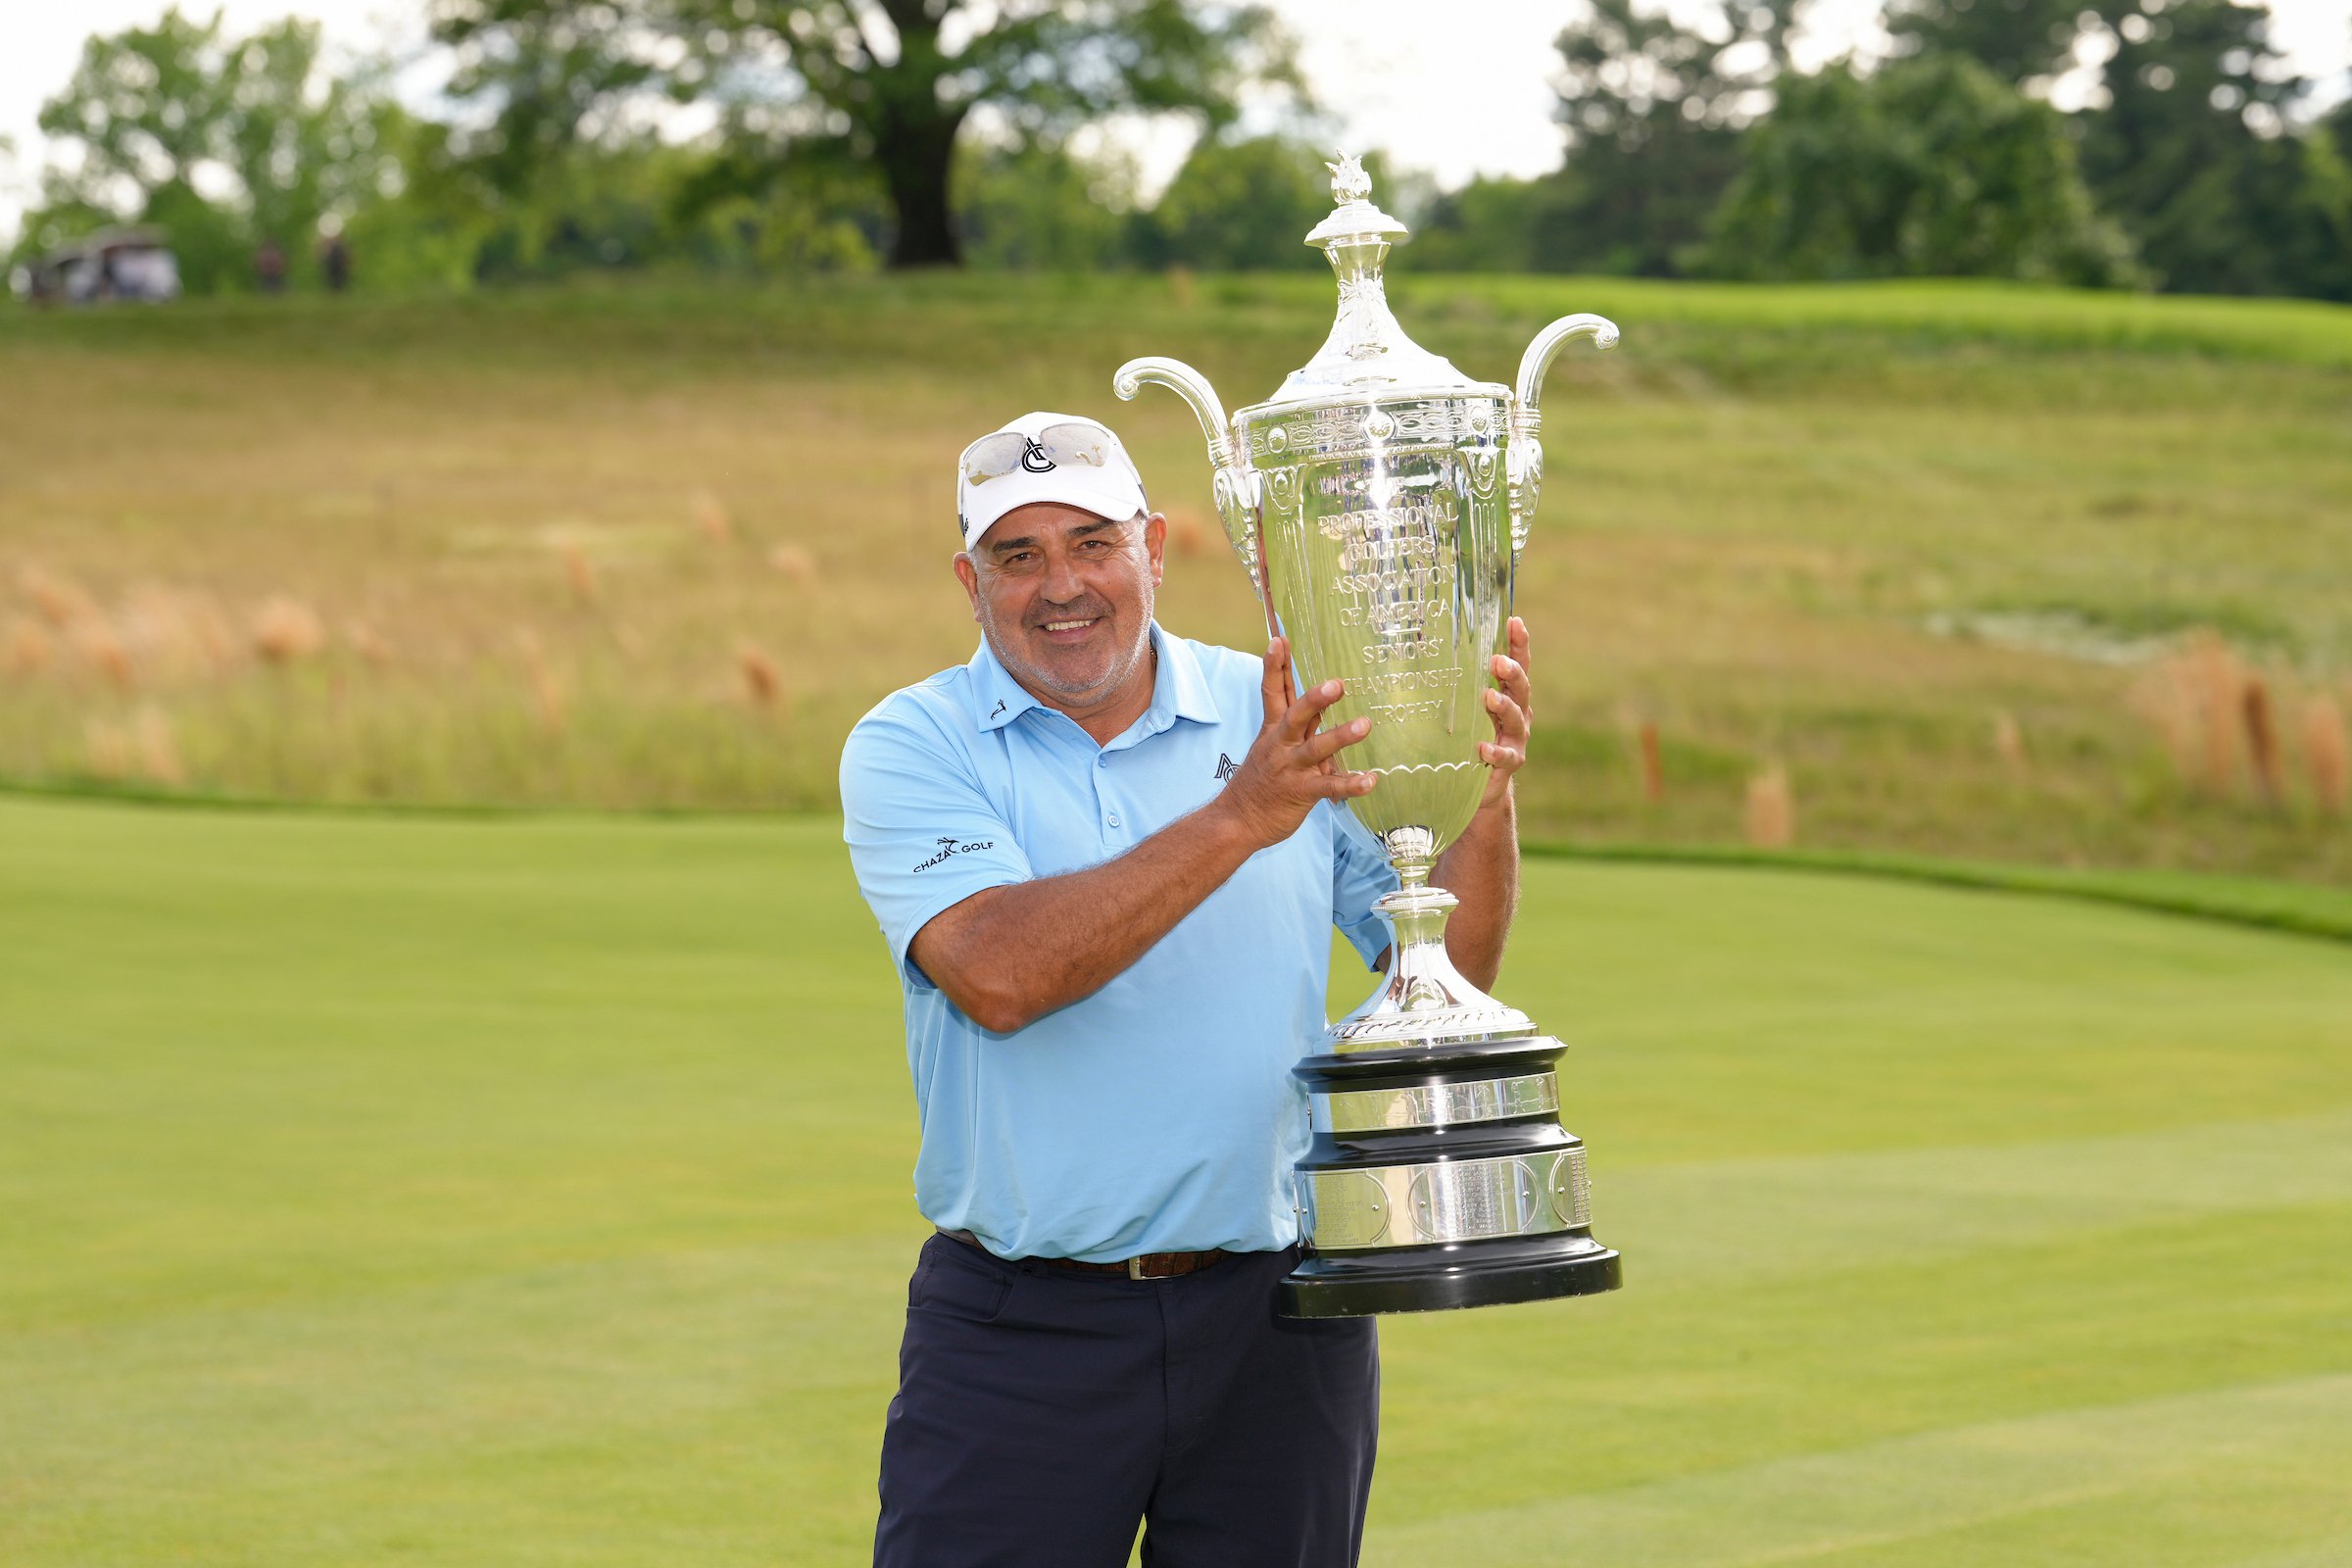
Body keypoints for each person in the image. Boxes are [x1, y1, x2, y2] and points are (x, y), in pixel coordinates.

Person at [839, 411, 1535, 1568]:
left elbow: (1445, 968)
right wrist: (1241, 815)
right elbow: (1000, 976)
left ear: (1156, 547)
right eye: (1019, 555)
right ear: (970, 580)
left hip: (1281, 1319)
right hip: (1024, 1327)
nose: (1062, 585)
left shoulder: (1285, 708)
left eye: (1093, 543)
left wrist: (1480, 788)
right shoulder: (916, 741)